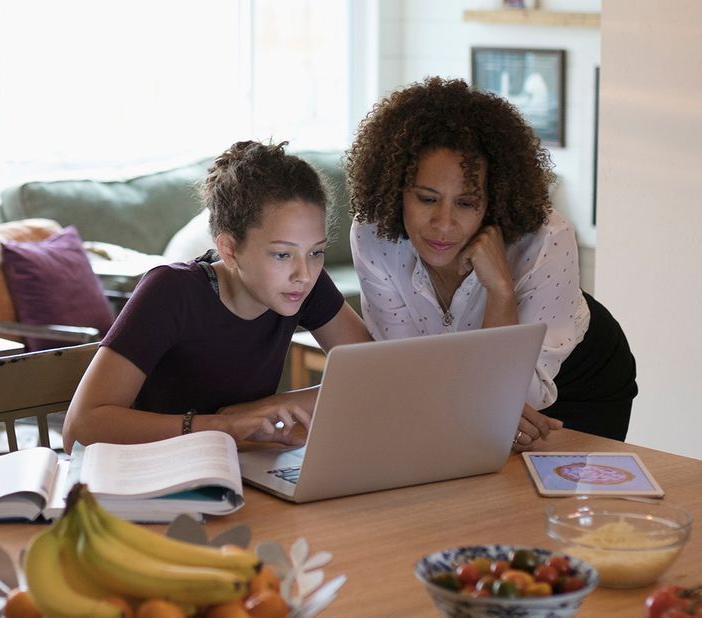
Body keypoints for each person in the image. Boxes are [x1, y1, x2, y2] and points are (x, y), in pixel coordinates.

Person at [346, 77, 637, 448]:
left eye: (466, 203)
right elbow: (406, 370)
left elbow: (519, 396)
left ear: (494, 200)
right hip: (468, 387)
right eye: (426, 198)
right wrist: (483, 407)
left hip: (577, 381)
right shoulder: (374, 236)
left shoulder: (546, 239)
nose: (444, 223)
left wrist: (501, 289)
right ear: (396, 189)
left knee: (550, 502)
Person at [62, 141, 370, 452]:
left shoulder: (304, 287)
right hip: (149, 474)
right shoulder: (171, 291)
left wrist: (275, 405)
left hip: (239, 467)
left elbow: (377, 374)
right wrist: (221, 426)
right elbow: (80, 426)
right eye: (281, 255)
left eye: (316, 252)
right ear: (230, 250)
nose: (304, 273)